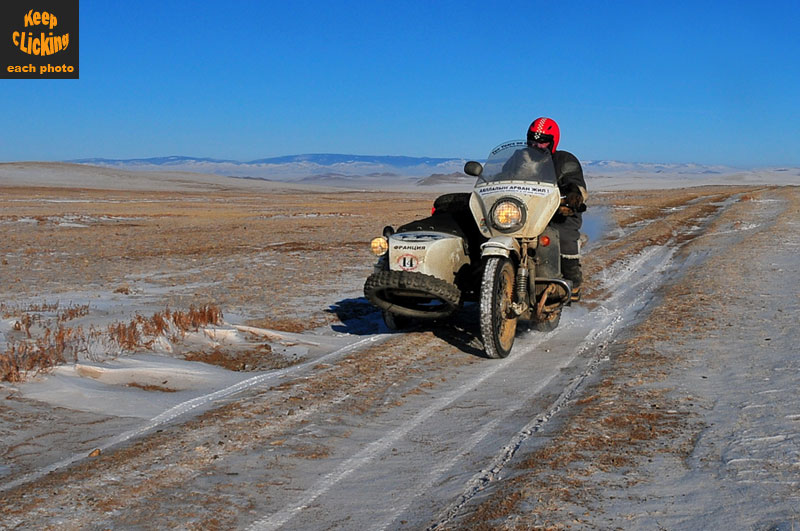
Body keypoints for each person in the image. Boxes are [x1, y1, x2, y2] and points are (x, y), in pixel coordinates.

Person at [527, 117, 587, 300]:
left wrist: (573, 194)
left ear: (553, 142)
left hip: (556, 212)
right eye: (532, 141)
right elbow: (504, 175)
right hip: (525, 212)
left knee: (562, 236)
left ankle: (572, 282)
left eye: (543, 142)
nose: (537, 146)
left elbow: (574, 181)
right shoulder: (519, 157)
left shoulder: (564, 160)